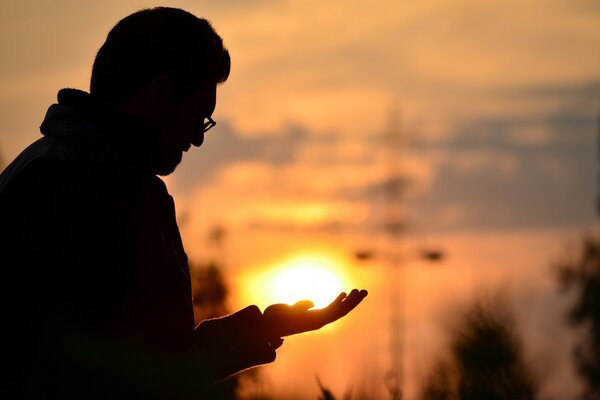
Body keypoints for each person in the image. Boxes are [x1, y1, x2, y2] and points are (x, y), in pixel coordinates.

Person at [0, 7, 367, 399]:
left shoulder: (125, 188)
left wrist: (263, 329)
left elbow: (155, 361)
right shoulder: (53, 187)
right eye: (198, 117)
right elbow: (68, 371)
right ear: (159, 94)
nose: (198, 139)